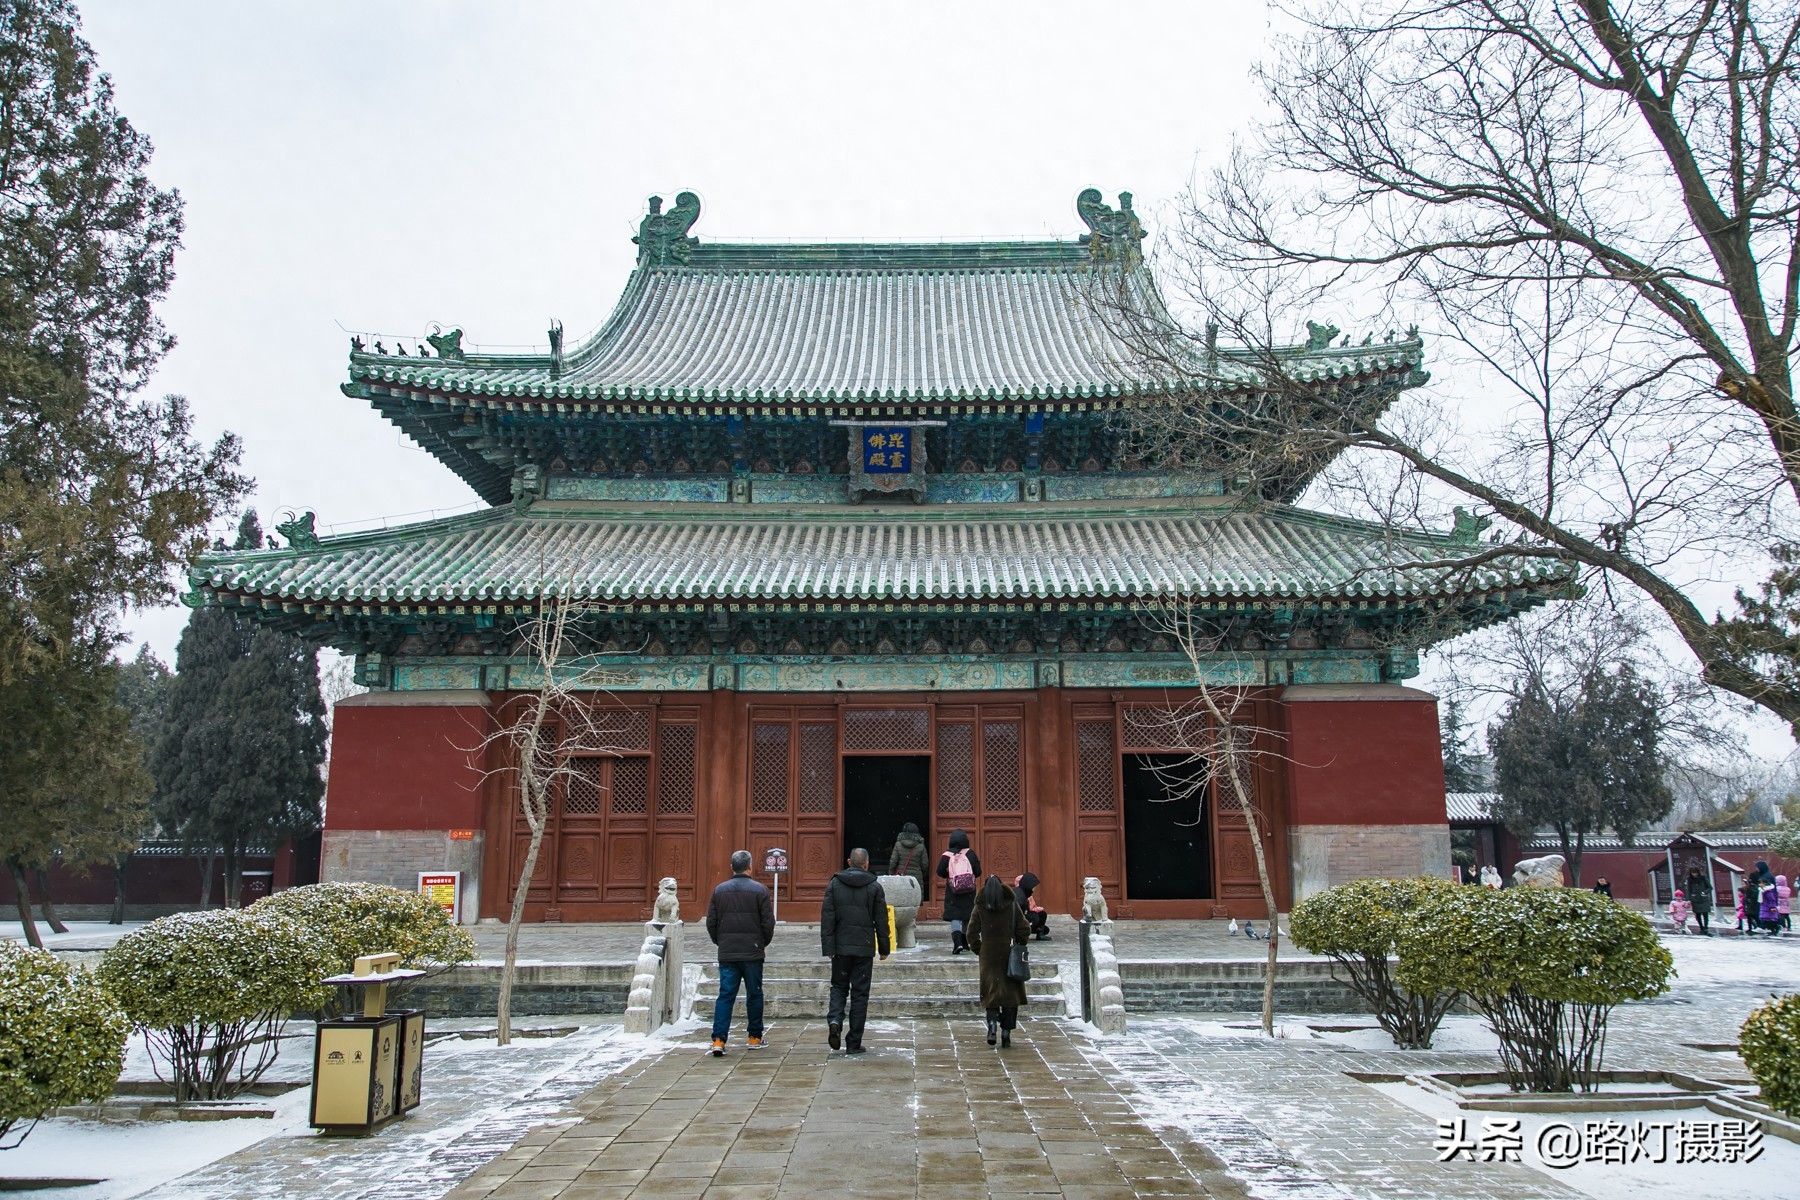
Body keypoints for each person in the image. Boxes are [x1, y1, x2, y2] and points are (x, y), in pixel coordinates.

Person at [820, 847, 891, 1055]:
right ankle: (853, 1042)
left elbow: (827, 918)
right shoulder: (874, 887)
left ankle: (834, 1019)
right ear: (866, 864)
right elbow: (881, 920)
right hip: (863, 947)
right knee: (860, 994)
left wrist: (829, 947)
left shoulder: (835, 884)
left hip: (841, 948)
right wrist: (884, 948)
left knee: (839, 987)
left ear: (849, 862)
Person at [705, 849, 775, 1056]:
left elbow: (712, 923)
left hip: (728, 952)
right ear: (750, 866)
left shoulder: (719, 890)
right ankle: (754, 1036)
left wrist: (722, 942)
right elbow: (768, 923)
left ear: (731, 867)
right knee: (754, 994)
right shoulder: (760, 890)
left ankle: (718, 1039)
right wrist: (761, 943)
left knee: (726, 995)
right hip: (752, 952)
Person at [966, 874, 1030, 1048]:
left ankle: (992, 1025)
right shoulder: (1011, 906)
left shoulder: (980, 907)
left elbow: (971, 932)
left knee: (991, 992)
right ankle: (1007, 1032)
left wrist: (979, 949)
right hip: (1009, 952)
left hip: (988, 954)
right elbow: (1024, 927)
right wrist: (1018, 943)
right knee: (1010, 994)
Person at [937, 829, 981, 954]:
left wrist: (951, 874)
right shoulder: (971, 854)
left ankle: (957, 942)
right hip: (969, 890)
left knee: (955, 916)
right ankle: (965, 941)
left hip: (953, 890)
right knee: (967, 915)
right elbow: (978, 872)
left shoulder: (947, 855)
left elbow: (940, 871)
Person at [888, 822, 928, 893]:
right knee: (916, 899)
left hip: (901, 877)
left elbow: (893, 862)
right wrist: (921, 874)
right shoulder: (921, 846)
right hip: (916, 877)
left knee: (902, 899)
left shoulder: (898, 845)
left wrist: (891, 875)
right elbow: (925, 864)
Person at [1014, 872, 1050, 940]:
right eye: (1033, 887)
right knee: (1035, 918)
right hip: (1018, 922)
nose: (1034, 889)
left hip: (1025, 916)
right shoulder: (1020, 897)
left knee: (1042, 917)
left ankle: (1040, 934)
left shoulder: (1024, 894)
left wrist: (1036, 909)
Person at [1685, 867, 1713, 936]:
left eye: (1695, 873)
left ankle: (1706, 927)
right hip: (1695, 899)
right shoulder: (1690, 879)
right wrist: (1689, 899)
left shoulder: (1703, 878)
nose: (1694, 874)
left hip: (1704, 899)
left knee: (1705, 913)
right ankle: (1701, 927)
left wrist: (1705, 892)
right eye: (1693, 873)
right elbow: (1689, 890)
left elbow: (1710, 887)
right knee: (1697, 914)